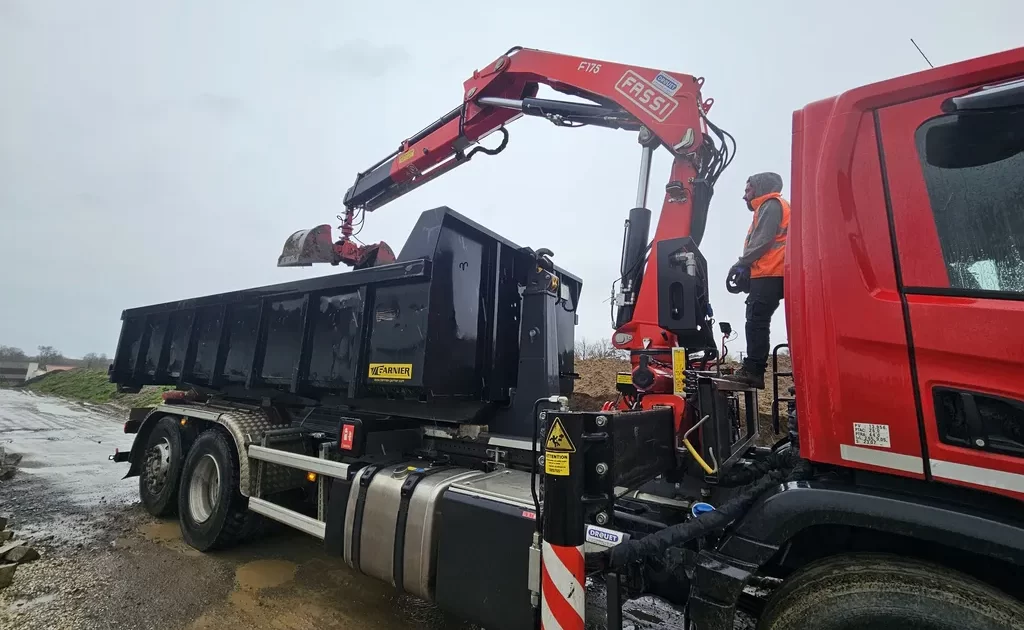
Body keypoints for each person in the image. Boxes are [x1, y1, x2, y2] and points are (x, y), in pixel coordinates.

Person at [723, 172, 790, 389]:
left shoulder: (770, 205)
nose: (744, 196)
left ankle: (753, 370)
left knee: (756, 320)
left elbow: (763, 241)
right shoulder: (770, 206)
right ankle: (754, 368)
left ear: (760, 188)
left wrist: (741, 263)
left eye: (748, 190)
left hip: (772, 272)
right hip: (770, 272)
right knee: (757, 319)